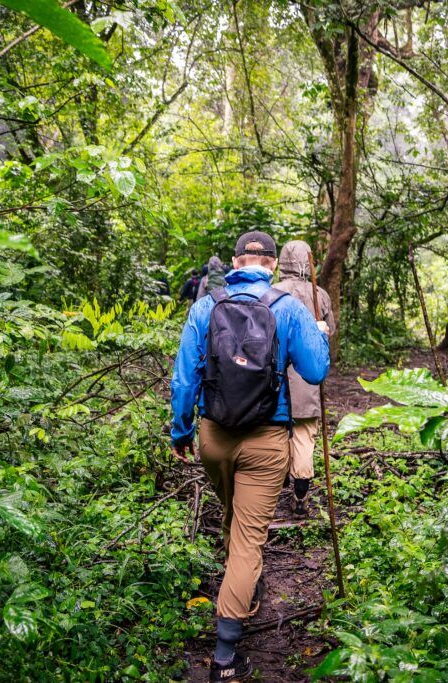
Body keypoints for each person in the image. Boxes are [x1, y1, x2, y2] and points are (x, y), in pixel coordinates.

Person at [170, 231, 331, 682]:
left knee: (234, 519)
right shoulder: (288, 308)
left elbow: (185, 378)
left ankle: (241, 583)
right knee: (247, 539)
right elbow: (316, 370)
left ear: (238, 261)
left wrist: (181, 430)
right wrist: (317, 335)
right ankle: (225, 657)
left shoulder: (206, 305)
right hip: (266, 438)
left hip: (213, 437)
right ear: (273, 265)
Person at [273, 240, 335, 518]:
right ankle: (300, 495)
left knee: (273, 431)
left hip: (272, 376)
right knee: (303, 434)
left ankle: (272, 487)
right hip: (305, 377)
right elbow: (329, 331)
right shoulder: (318, 293)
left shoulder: (270, 292)